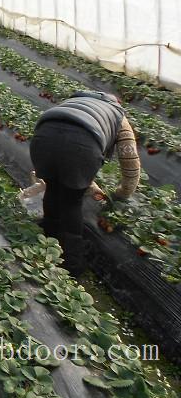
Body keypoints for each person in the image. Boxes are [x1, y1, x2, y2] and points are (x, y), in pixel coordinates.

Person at [28, 90, 141, 276]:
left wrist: (87, 181)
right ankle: (72, 263)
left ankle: (46, 239)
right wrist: (122, 193)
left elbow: (64, 141)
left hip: (43, 138)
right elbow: (131, 164)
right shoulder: (119, 117)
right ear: (116, 103)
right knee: (72, 201)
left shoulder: (73, 101)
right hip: (81, 147)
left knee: (53, 190)